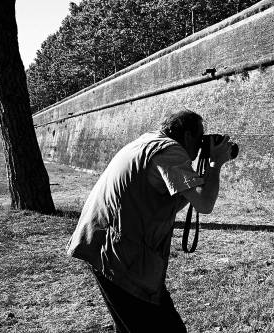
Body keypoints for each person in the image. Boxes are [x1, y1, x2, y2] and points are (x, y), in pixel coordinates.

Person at [66, 110, 232, 332]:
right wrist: (215, 164)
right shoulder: (169, 151)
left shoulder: (146, 142)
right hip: (122, 258)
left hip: (101, 245)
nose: (200, 145)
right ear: (188, 135)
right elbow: (204, 203)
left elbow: (164, 198)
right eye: (200, 138)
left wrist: (199, 175)